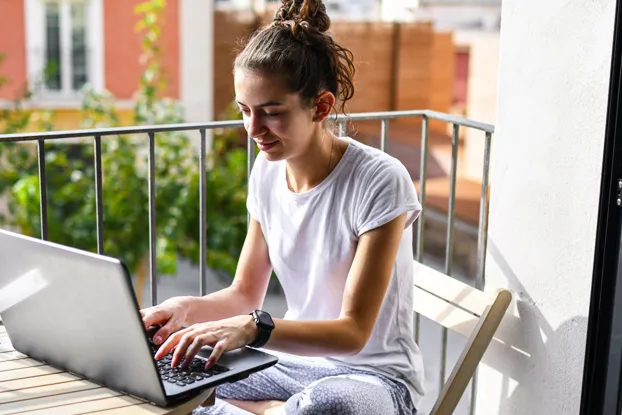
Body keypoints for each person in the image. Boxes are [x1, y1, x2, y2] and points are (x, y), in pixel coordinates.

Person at [139, 1, 423, 414]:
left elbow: (353, 333)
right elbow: (243, 293)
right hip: (293, 365)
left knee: (326, 406)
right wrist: (183, 308)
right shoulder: (267, 171)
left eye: (271, 113)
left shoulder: (379, 179)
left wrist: (255, 327)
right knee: (171, 372)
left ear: (321, 108)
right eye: (244, 111)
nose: (253, 130)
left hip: (373, 379)